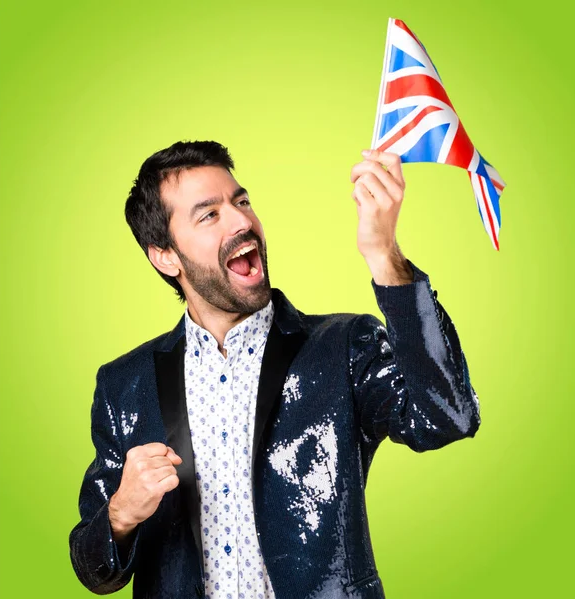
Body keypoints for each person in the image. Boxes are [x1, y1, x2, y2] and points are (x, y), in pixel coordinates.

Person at [69, 140, 480, 599]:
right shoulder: (124, 386)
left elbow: (447, 417)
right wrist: (121, 514)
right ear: (165, 255)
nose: (242, 220)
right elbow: (95, 572)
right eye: (209, 215)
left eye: (241, 201)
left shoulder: (344, 347)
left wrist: (386, 256)